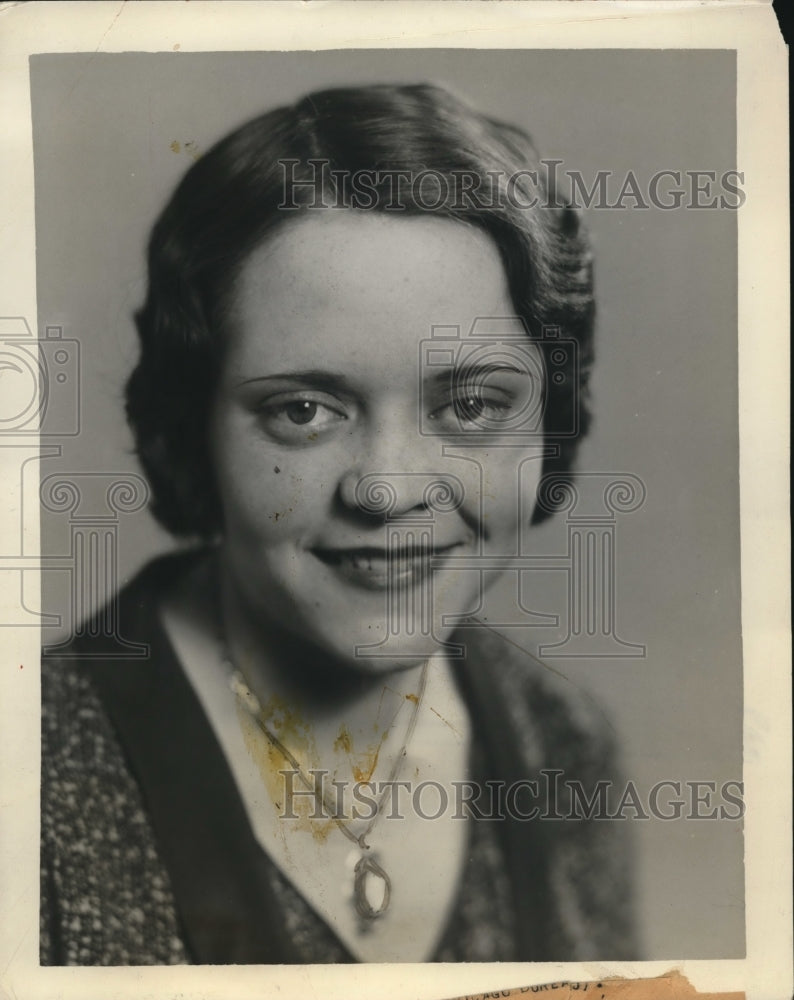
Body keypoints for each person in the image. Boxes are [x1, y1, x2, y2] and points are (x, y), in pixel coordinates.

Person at [40, 82, 637, 965]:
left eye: (471, 404)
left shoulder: (562, 747)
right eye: (305, 411)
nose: (388, 489)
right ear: (192, 422)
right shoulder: (32, 786)